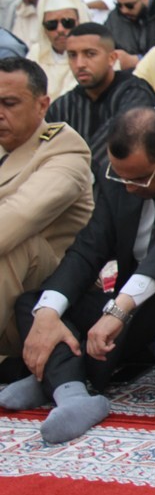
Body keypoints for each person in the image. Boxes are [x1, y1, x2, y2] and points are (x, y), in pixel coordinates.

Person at [0, 109, 155, 443]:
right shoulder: (117, 174)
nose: (128, 187)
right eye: (121, 178)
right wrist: (47, 313)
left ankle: (57, 372)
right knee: (36, 301)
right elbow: (88, 248)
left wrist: (119, 309)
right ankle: (70, 392)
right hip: (133, 303)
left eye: (139, 179)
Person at [0, 58, 93, 368]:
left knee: (17, 242)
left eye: (9, 103)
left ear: (42, 105)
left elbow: (17, 218)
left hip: (41, 303)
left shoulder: (64, 149)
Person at [46, 23, 155, 174]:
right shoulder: (63, 106)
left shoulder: (135, 94)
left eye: (90, 54)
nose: (79, 64)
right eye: (73, 55)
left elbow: (123, 146)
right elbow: (45, 150)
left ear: (112, 58)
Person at [28, 0, 90, 100]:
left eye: (67, 22)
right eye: (52, 24)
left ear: (79, 22)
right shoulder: (35, 54)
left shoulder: (95, 54)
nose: (60, 30)